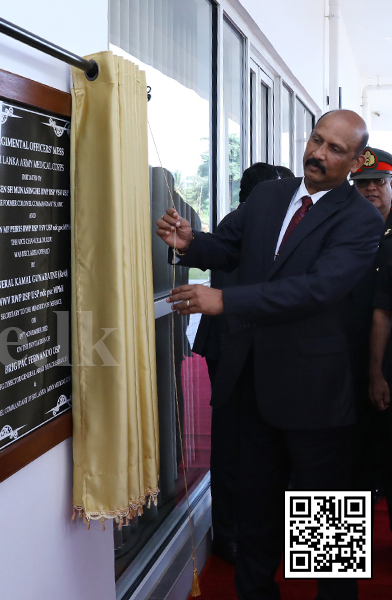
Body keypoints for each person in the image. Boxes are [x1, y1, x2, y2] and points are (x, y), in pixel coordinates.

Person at [156, 109, 379, 600]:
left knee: (327, 525)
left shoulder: (360, 219)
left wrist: (225, 300)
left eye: (335, 149)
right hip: (251, 385)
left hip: (317, 393)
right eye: (317, 141)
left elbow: (317, 289)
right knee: (254, 513)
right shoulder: (269, 195)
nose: (318, 154)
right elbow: (229, 247)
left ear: (355, 159)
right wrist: (190, 244)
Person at [192, 162, 281, 566]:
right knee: (238, 443)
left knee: (322, 463)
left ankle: (322, 566)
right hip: (240, 348)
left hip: (321, 368)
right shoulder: (248, 226)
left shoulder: (349, 223)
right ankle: (238, 541)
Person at [356, 147, 392, 528]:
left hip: (388, 368)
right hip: (342, 365)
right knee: (342, 466)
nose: (370, 190)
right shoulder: (337, 228)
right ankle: (335, 576)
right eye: (362, 183)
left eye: (378, 182)